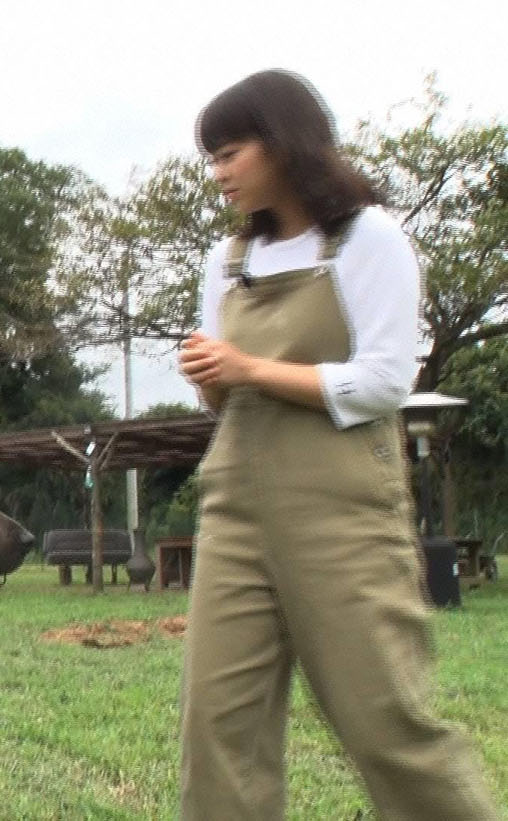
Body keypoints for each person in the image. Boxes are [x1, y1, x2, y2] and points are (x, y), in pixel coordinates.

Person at [177, 69, 498, 820]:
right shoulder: (227, 260)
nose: (218, 173)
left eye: (229, 153)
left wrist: (248, 367)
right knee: (218, 729)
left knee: (384, 720)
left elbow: (386, 380)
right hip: (234, 511)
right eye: (211, 159)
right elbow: (223, 393)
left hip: (342, 513)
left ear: (282, 142)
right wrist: (210, 377)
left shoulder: (367, 238)